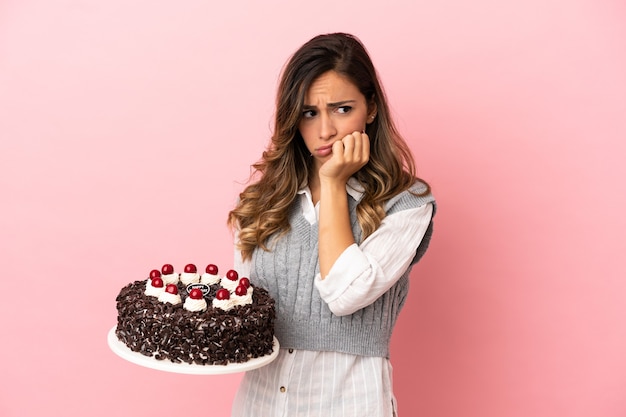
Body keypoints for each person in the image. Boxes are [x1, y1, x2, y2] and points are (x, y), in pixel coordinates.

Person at [227, 32, 436, 417]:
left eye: (342, 109)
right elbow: (243, 306)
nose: (325, 131)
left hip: (348, 401)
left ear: (371, 108)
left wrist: (334, 182)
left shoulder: (408, 204)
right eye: (309, 113)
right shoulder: (265, 201)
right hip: (260, 401)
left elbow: (344, 294)